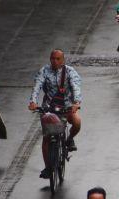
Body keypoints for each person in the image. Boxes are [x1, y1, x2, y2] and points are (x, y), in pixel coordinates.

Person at [28, 49, 82, 179]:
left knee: (77, 123)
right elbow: (37, 86)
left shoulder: (70, 71)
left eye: (58, 59)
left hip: (67, 107)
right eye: (52, 58)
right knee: (47, 137)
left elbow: (76, 86)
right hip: (49, 108)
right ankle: (48, 167)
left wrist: (76, 102)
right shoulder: (44, 71)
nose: (54, 61)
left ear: (63, 60)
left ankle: (69, 139)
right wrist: (33, 101)